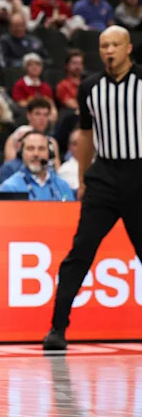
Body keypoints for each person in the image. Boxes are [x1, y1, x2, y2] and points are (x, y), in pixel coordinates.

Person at [44, 26, 142, 351]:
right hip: (104, 176)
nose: (109, 51)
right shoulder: (89, 87)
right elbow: (85, 135)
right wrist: (84, 179)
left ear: (128, 48)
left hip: (139, 174)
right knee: (80, 252)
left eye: (115, 45)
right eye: (104, 45)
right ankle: (57, 328)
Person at [0, 131, 74, 201]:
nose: (36, 154)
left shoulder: (63, 186)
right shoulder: (10, 187)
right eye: (30, 149)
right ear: (21, 153)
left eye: (41, 149)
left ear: (50, 153)